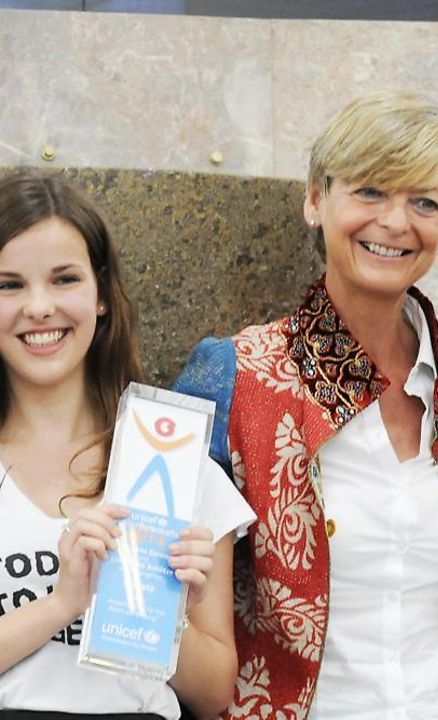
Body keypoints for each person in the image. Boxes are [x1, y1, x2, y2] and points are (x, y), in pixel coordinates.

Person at [175, 90, 438, 720]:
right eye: (369, 192)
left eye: (423, 202)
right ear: (314, 200)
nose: (394, 221)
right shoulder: (233, 377)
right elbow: (175, 605)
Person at [0, 172, 255, 719]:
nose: (39, 307)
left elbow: (213, 698)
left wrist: (163, 619)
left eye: (64, 279)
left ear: (100, 296)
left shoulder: (177, 458)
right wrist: (67, 603)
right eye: (10, 285)